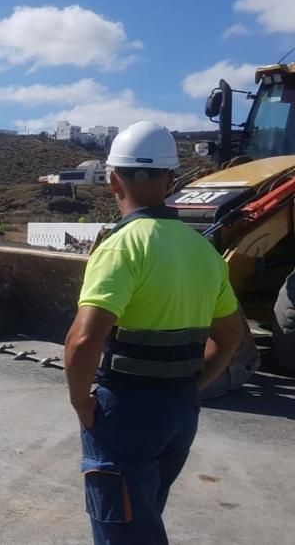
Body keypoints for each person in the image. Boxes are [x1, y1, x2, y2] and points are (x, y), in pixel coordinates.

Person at [63, 121, 245, 545]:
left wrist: (80, 402)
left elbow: (83, 341)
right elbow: (232, 337)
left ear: (112, 181)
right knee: (143, 516)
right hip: (179, 411)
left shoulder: (122, 246)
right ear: (171, 180)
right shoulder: (203, 249)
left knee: (124, 531)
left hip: (126, 411)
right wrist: (193, 383)